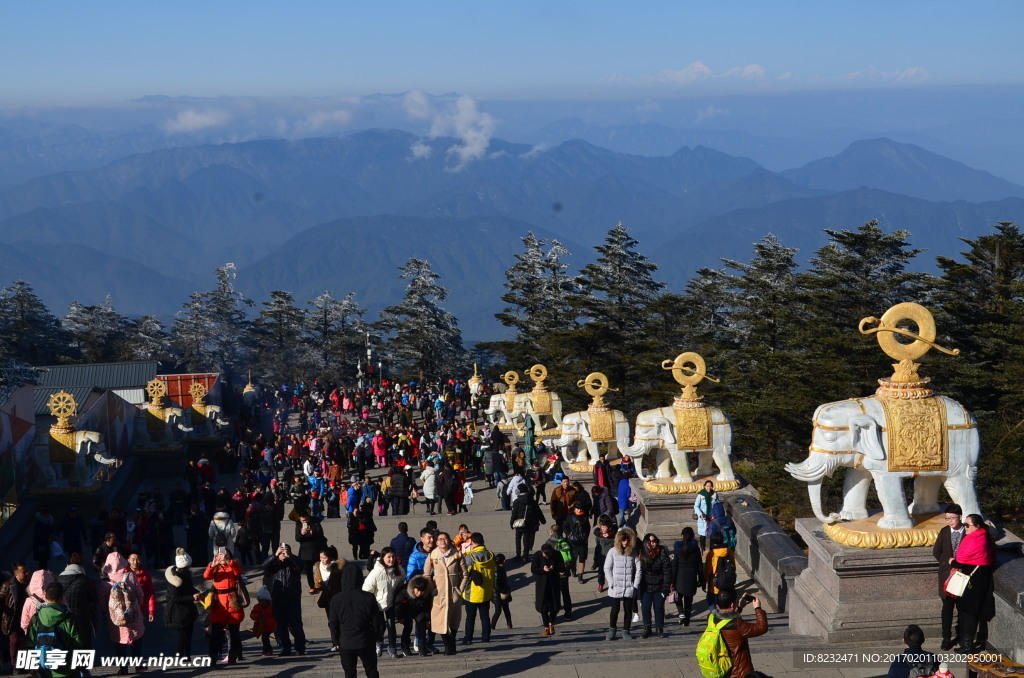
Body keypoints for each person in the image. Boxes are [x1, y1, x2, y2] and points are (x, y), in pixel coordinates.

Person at [329, 559, 384, 678]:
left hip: (346, 642)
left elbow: (333, 623)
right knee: (372, 671)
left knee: (349, 673)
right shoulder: (368, 597)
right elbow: (377, 622)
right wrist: (376, 637)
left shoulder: (336, 599)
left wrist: (336, 641)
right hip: (365, 640)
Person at [950, 514, 996, 653]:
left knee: (969, 611)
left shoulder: (975, 540)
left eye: (968, 525)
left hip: (973, 580)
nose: (965, 527)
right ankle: (969, 642)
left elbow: (961, 561)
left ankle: (967, 645)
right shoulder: (985, 536)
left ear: (977, 526)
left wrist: (951, 561)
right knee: (972, 611)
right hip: (980, 577)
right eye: (964, 524)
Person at [25, 581, 84, 678]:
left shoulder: (36, 617)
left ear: (46, 597)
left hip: (44, 667)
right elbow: (78, 642)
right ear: (62, 597)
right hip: (67, 667)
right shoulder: (69, 618)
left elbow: (30, 642)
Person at [99, 552, 145, 674]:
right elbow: (140, 594)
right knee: (137, 640)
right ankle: (139, 665)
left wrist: (108, 613)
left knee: (120, 644)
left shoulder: (106, 581)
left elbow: (103, 601)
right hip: (133, 615)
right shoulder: (130, 576)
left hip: (116, 619)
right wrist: (136, 607)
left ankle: (123, 669)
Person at [423, 531, 466, 655]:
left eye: (445, 539)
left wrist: (460, 589)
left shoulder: (457, 554)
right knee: (440, 623)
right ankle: (449, 648)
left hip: (454, 595)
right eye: (440, 539)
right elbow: (427, 575)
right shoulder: (432, 555)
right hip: (439, 595)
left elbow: (465, 574)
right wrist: (433, 589)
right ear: (436, 542)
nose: (443, 541)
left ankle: (451, 647)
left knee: (453, 622)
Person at [708, 588, 768, 678]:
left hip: (720, 667)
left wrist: (739, 608)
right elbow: (761, 628)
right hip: (738, 671)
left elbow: (724, 620)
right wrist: (758, 608)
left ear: (717, 606)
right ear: (732, 605)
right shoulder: (738, 625)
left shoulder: (711, 618)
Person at [932, 504, 965, 651]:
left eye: (953, 518)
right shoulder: (945, 532)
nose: (950, 521)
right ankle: (946, 637)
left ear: (960, 517)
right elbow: (936, 552)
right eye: (947, 518)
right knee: (947, 607)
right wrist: (947, 563)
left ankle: (962, 635)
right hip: (947, 575)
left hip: (964, 575)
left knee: (963, 607)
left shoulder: (968, 532)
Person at [262, 544, 306, 656]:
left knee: (296, 625)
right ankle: (285, 648)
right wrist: (275, 556)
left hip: (293, 599)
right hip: (278, 598)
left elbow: (301, 564)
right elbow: (264, 566)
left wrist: (290, 556)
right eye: (282, 552)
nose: (283, 554)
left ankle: (300, 647)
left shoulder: (293, 563)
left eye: (286, 551)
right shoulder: (275, 564)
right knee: (281, 626)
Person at [362, 547, 406, 658]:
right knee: (380, 627)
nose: (391, 559)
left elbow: (402, 583)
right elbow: (366, 589)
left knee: (392, 626)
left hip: (391, 603)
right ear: (383, 558)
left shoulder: (399, 570)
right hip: (377, 604)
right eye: (388, 557)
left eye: (393, 557)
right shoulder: (376, 572)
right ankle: (378, 644)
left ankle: (392, 649)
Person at [204, 549, 244, 664]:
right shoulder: (214, 567)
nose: (221, 557)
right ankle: (212, 657)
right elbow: (206, 576)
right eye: (220, 554)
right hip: (219, 603)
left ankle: (233, 657)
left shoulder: (232, 565)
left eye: (224, 554)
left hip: (232, 601)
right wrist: (213, 565)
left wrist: (229, 562)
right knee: (215, 633)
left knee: (234, 632)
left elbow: (238, 573)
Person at [56, 553, 96, 659]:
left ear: (67, 565)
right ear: (81, 566)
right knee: (84, 642)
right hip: (82, 618)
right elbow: (92, 599)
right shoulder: (85, 580)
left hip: (63, 618)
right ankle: (84, 669)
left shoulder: (58, 579)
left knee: (67, 642)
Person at [603, 527, 641, 640]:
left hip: (629, 586)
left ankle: (626, 630)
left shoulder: (633, 553)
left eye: (627, 540)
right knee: (615, 609)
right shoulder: (612, 551)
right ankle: (612, 629)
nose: (625, 542)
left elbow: (639, 569)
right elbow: (607, 568)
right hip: (616, 586)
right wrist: (611, 582)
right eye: (623, 540)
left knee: (628, 610)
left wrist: (635, 585)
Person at [461, 532, 496, 645]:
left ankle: (468, 638)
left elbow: (464, 574)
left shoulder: (470, 557)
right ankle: (486, 637)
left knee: (470, 617)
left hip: (472, 593)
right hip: (486, 591)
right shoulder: (491, 555)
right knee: (485, 616)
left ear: (472, 543)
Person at [163, 549, 199, 658]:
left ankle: (187, 655)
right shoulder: (175, 580)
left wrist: (196, 592)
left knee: (189, 634)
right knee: (183, 635)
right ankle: (180, 655)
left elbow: (189, 588)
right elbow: (175, 598)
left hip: (187, 610)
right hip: (179, 612)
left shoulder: (185, 575)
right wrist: (192, 597)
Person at [638, 533, 672, 638]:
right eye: (650, 541)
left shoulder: (662, 553)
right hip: (646, 587)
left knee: (659, 608)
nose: (653, 544)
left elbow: (667, 572)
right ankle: (647, 628)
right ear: (646, 543)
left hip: (659, 586)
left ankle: (659, 628)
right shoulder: (641, 554)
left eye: (654, 541)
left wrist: (665, 588)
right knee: (645, 608)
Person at [313, 547, 346, 649]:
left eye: (324, 557)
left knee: (341, 620)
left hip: (339, 597)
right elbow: (318, 582)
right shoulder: (318, 566)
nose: (322, 560)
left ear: (330, 557)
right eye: (321, 557)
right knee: (331, 621)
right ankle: (335, 643)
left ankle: (342, 641)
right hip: (328, 597)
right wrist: (316, 588)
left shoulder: (338, 566)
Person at [392, 575, 432, 656]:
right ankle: (405, 647)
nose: (420, 593)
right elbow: (398, 605)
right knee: (408, 626)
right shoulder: (404, 591)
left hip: (419, 610)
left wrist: (428, 619)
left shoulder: (427, 593)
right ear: (413, 588)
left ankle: (422, 649)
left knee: (421, 624)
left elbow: (427, 607)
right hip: (405, 610)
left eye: (422, 591)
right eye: (418, 590)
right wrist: (400, 617)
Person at [671, 526, 704, 626]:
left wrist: (672, 580)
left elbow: (674, 565)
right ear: (693, 536)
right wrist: (701, 578)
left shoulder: (677, 548)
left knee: (677, 596)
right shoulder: (695, 549)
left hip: (680, 576)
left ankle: (681, 613)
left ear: (682, 535)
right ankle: (687, 620)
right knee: (688, 600)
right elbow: (699, 564)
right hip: (691, 576)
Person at [0, 562, 30, 670]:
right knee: (15, 641)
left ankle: (24, 664)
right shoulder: (8, 585)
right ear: (16, 573)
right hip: (13, 619)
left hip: (27, 618)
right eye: (24, 572)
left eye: (27, 571)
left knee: (25, 642)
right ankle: (15, 665)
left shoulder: (30, 584)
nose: (27, 573)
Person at [532, 542, 563, 636]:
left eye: (548, 554)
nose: (547, 557)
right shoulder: (537, 555)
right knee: (543, 607)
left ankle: (551, 622)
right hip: (542, 585)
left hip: (554, 584)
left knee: (555, 606)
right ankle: (546, 627)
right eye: (545, 555)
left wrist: (554, 568)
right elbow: (533, 569)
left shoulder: (557, 554)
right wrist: (543, 569)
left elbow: (562, 567)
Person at [545, 526, 574, 620]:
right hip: (564, 571)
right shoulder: (566, 541)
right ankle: (568, 612)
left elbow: (546, 557)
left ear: (551, 532)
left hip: (553, 572)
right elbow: (571, 556)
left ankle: (553, 611)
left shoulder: (548, 542)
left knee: (553, 593)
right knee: (565, 593)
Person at [510, 486, 546, 562]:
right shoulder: (532, 501)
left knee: (518, 538)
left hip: (519, 522)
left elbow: (514, 513)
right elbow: (538, 512)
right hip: (529, 523)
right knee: (526, 540)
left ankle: (518, 554)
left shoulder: (516, 501)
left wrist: (512, 522)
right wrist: (543, 520)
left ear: (519, 491)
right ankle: (525, 556)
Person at [295, 514, 328, 592]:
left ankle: (321, 584)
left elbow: (321, 534)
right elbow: (297, 538)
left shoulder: (315, 522)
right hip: (305, 550)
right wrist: (302, 534)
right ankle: (312, 586)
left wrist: (313, 533)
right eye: (302, 520)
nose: (304, 522)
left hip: (317, 549)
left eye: (306, 520)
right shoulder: (299, 525)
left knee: (319, 567)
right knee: (308, 569)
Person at [703, 533, 735, 612]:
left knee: (712, 603)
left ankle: (715, 618)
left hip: (714, 585)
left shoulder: (711, 553)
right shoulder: (729, 551)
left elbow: (708, 570)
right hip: (727, 585)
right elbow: (733, 567)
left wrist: (704, 581)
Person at [562, 506, 590, 584]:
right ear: (574, 509)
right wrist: (568, 535)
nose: (580, 510)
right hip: (572, 542)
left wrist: (586, 536)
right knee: (573, 558)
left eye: (581, 508)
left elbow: (588, 527)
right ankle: (573, 570)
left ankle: (580, 575)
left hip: (582, 542)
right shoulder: (570, 517)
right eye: (578, 508)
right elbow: (564, 526)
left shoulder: (585, 517)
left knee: (582, 558)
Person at [127, 553, 156, 624]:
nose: (135, 562)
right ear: (128, 560)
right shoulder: (124, 573)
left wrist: (151, 611)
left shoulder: (145, 574)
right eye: (133, 559)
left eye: (138, 559)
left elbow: (150, 594)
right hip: (126, 609)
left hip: (140, 609)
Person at [250, 587, 277, 657]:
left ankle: (268, 649)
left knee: (266, 638)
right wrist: (258, 616)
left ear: (268, 601)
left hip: (270, 626)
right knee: (264, 639)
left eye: (264, 601)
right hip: (262, 627)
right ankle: (266, 650)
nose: (262, 602)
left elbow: (275, 618)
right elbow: (252, 615)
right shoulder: (257, 607)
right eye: (260, 601)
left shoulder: (272, 608)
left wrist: (266, 621)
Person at [592, 515, 616, 593]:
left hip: (611, 557)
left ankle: (612, 584)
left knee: (612, 571)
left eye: (604, 527)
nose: (602, 528)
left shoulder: (614, 534)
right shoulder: (599, 534)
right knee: (601, 571)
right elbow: (597, 544)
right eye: (601, 526)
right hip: (602, 555)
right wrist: (596, 558)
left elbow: (616, 528)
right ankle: (601, 584)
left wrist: (610, 534)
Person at [489, 553, 512, 630]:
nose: (505, 560)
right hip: (498, 594)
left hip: (499, 593)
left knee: (506, 610)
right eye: (503, 559)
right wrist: (505, 591)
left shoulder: (499, 568)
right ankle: (492, 627)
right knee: (498, 611)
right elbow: (497, 585)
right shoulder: (497, 570)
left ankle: (509, 624)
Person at [694, 480, 718, 552]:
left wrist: (715, 515)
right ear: (704, 486)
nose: (709, 488)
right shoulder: (701, 495)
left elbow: (717, 505)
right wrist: (700, 514)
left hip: (712, 517)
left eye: (710, 486)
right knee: (703, 535)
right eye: (707, 486)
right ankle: (703, 550)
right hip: (703, 518)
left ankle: (711, 551)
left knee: (712, 535)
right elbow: (696, 506)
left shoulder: (715, 494)